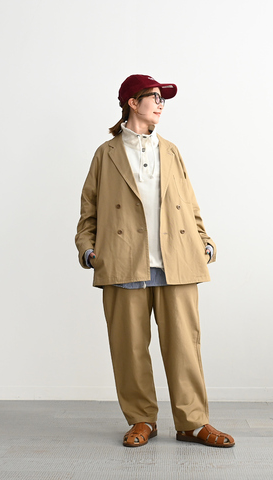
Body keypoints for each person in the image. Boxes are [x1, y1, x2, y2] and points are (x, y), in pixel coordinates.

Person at [75, 74, 235, 448]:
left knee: (185, 347)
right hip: (122, 261)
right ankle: (141, 419)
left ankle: (193, 423)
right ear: (133, 102)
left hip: (176, 259)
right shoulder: (106, 154)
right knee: (129, 349)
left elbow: (189, 204)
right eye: (154, 97)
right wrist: (89, 251)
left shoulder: (171, 150)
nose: (161, 104)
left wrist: (204, 241)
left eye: (163, 98)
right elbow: (89, 214)